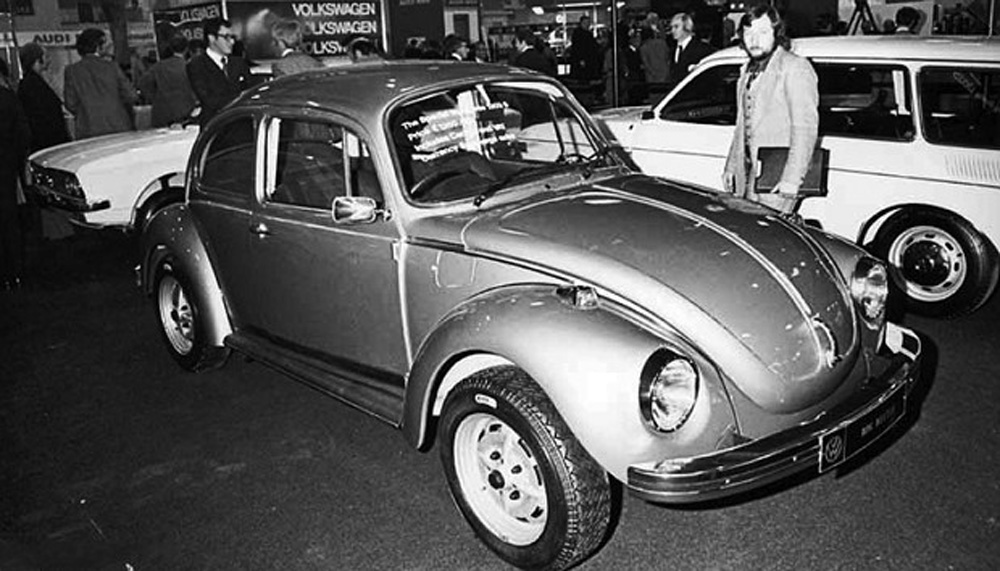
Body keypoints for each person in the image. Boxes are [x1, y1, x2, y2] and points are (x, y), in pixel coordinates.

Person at [722, 3, 819, 214]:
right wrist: (731, 165)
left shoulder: (795, 67)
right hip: (748, 173)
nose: (754, 40)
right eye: (749, 33)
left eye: (763, 32)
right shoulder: (747, 70)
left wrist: (792, 180)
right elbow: (741, 125)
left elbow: (805, 129)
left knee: (768, 235)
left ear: (776, 32)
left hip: (777, 177)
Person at [63, 28, 137, 139]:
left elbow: (70, 103)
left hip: (87, 128)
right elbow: (131, 95)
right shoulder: (112, 67)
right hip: (118, 125)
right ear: (98, 46)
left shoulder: (71, 71)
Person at [0, 59, 31, 291]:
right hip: (6, 165)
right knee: (9, 219)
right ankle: (15, 272)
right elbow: (23, 134)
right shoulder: (8, 98)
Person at [186, 18, 250, 126]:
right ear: (211, 38)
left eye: (232, 37)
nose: (232, 42)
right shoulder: (197, 65)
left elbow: (250, 88)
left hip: (242, 124)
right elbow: (209, 100)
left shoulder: (238, 62)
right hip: (216, 127)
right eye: (226, 37)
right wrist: (240, 99)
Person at [17, 42, 70, 151]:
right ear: (38, 59)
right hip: (47, 144)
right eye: (46, 56)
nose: (49, 60)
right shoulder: (33, 85)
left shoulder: (29, 83)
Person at [138, 35, 198, 127]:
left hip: (162, 114)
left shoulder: (159, 66)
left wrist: (153, 97)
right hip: (186, 112)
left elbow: (143, 83)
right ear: (186, 49)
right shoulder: (190, 67)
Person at [669, 12, 714, 86]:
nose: (672, 31)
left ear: (687, 27)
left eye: (676, 27)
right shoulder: (673, 49)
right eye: (672, 27)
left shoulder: (701, 48)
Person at [569, 15, 601, 80]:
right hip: (583, 60)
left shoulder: (587, 33)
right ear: (581, 23)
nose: (587, 25)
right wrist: (581, 59)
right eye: (586, 23)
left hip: (587, 60)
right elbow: (577, 48)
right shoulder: (578, 34)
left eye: (588, 23)